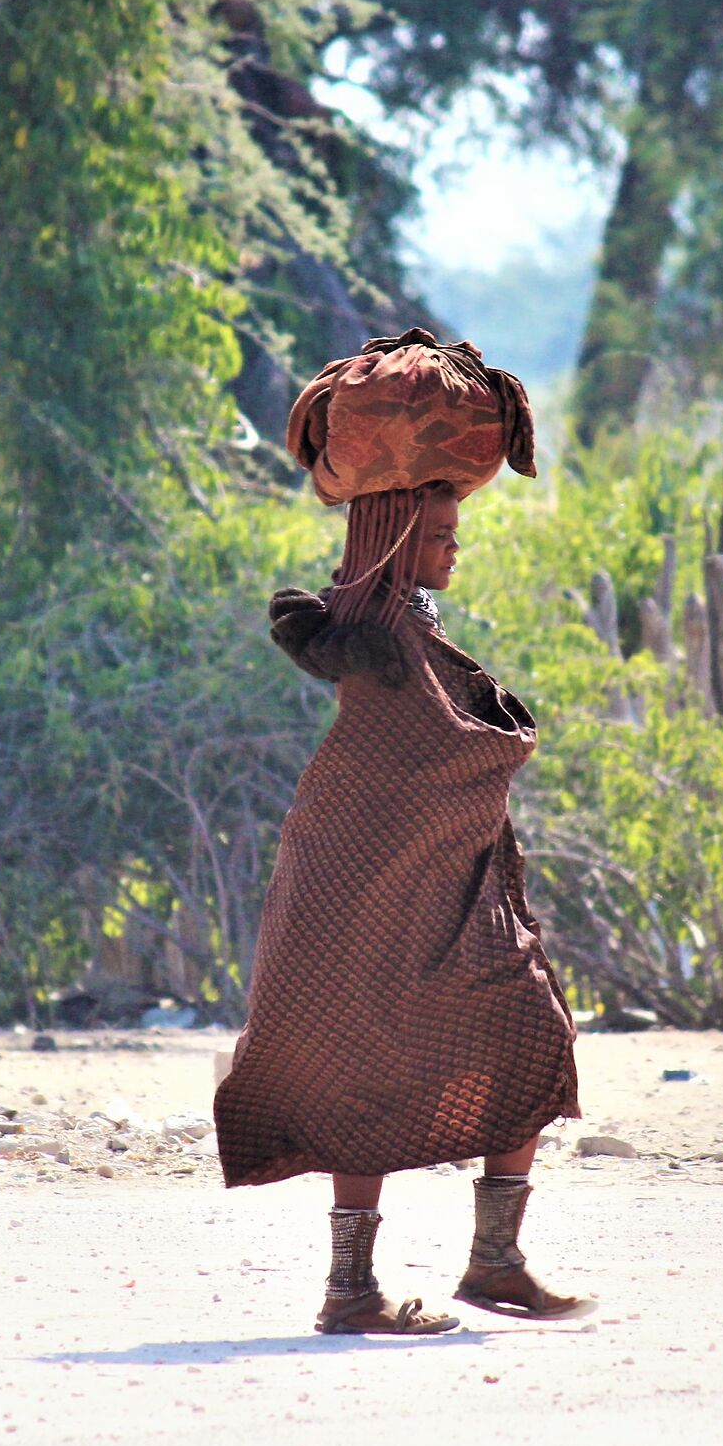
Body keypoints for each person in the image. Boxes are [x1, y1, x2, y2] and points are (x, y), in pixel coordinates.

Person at [213, 478, 590, 1335]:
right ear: (396, 538)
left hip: (414, 883)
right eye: (441, 534)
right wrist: (508, 738)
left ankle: (492, 1262)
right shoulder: (382, 627)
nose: (457, 547)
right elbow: (440, 750)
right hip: (361, 884)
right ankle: (355, 1289)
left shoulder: (403, 619)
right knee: (365, 1059)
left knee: (522, 1031)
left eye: (458, 531)